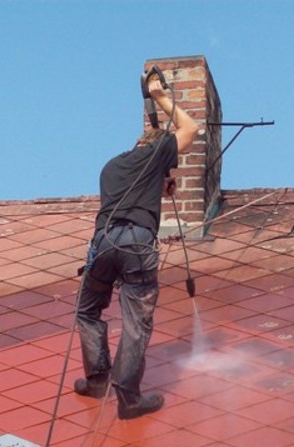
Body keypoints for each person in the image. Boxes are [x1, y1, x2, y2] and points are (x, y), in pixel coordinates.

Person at [74, 74, 199, 419]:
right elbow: (191, 129)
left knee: (87, 310)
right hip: (137, 244)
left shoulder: (111, 166)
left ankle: (97, 378)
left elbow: (132, 191)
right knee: (135, 322)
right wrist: (160, 97)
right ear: (161, 148)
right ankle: (128, 399)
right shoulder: (158, 151)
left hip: (103, 243)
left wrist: (159, 183)